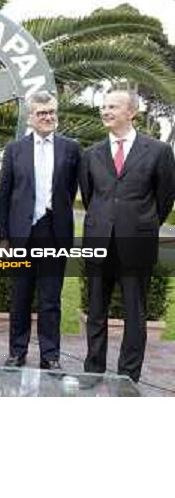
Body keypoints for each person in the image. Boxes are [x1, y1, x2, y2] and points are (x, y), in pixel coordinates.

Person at [80, 90, 175, 382]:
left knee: (135, 311)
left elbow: (165, 197)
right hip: (98, 240)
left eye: (112, 106)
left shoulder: (158, 151)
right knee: (96, 309)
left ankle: (128, 375)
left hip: (137, 243)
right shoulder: (91, 153)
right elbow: (89, 196)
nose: (105, 111)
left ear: (131, 112)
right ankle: (93, 370)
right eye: (103, 106)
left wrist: (142, 224)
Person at [0, 91, 80, 370]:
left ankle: (50, 355)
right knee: (19, 297)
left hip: (54, 232)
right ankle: (17, 352)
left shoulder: (70, 148)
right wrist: (3, 236)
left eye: (51, 112)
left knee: (50, 299)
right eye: (41, 113)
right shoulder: (14, 149)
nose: (47, 117)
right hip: (22, 232)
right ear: (30, 117)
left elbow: (70, 190)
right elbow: (5, 194)